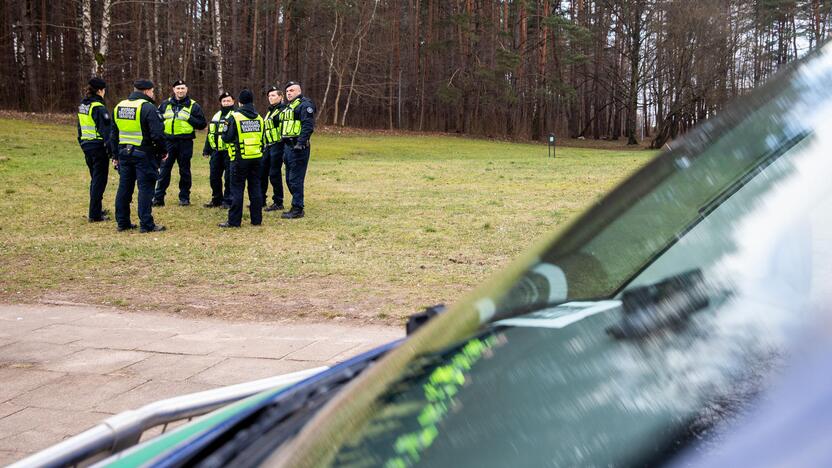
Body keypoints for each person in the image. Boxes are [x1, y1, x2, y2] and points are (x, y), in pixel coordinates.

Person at [110, 79, 168, 233]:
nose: (153, 94)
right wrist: (163, 151)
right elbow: (157, 134)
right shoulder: (148, 107)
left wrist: (115, 155)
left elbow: (114, 134)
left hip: (124, 153)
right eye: (152, 91)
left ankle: (122, 222)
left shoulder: (119, 106)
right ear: (147, 91)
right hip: (144, 154)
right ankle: (146, 224)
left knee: (124, 188)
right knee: (145, 189)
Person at [153, 79, 207, 207]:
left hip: (185, 142)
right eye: (178, 88)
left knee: (184, 171)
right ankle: (158, 198)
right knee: (164, 170)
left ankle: (184, 198)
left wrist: (188, 118)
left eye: (182, 88)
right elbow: (156, 121)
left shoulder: (194, 105)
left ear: (186, 89)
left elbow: (202, 124)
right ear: (173, 90)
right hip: (168, 142)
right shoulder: (165, 104)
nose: (180, 91)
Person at [219, 89, 265, 228]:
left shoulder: (235, 117)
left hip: (239, 158)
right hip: (256, 157)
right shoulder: (259, 117)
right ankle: (256, 220)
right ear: (252, 102)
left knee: (237, 190)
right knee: (255, 188)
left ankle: (234, 221)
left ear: (239, 102)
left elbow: (226, 138)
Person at [76, 77, 113, 222]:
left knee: (94, 179)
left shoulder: (83, 105)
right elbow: (106, 132)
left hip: (87, 145)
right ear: (100, 90)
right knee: (99, 180)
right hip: (98, 147)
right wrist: (112, 152)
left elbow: (79, 127)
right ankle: (95, 214)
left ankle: (96, 208)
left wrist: (82, 142)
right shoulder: (98, 107)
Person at [279, 81, 315, 219]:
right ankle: (296, 204)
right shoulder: (289, 107)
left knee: (295, 179)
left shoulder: (305, 105)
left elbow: (307, 125)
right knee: (289, 179)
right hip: (288, 147)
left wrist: (300, 143)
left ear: (299, 91)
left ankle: (298, 209)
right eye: (287, 91)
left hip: (299, 147)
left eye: (292, 90)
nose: (289, 93)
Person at [202, 91, 235, 208]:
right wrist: (207, 149)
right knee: (214, 176)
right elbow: (211, 133)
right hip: (216, 152)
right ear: (221, 102)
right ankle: (216, 199)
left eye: (228, 100)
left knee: (229, 177)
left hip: (229, 151)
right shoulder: (216, 115)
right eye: (224, 101)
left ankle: (228, 200)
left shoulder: (235, 115)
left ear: (233, 102)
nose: (226, 103)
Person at [261, 85, 286, 212]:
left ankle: (278, 201)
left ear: (281, 97)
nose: (270, 98)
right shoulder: (270, 110)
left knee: (274, 174)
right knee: (262, 172)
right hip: (268, 146)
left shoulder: (283, 110)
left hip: (278, 145)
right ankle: (261, 199)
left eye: (273, 95)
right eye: (269, 96)